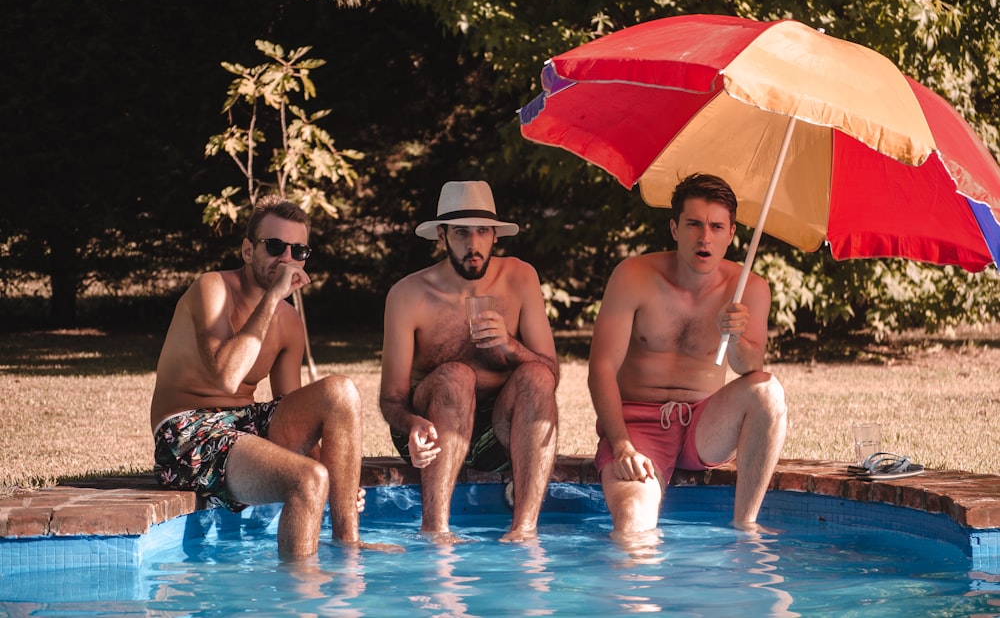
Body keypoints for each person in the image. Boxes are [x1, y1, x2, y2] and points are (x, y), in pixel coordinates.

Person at [150, 195, 382, 560]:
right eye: (275, 247)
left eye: (298, 250)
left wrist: (335, 471)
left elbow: (293, 413)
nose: (286, 259)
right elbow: (226, 377)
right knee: (308, 480)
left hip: (244, 426)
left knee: (341, 391)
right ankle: (297, 600)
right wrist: (272, 298)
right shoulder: (212, 288)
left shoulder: (290, 321)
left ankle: (348, 546)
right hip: (187, 431)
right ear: (247, 250)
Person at [588, 173, 787, 537]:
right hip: (638, 426)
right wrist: (621, 445)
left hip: (703, 424)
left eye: (716, 226)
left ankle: (746, 526)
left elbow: (749, 367)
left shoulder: (750, 288)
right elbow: (601, 367)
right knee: (633, 525)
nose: (704, 237)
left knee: (767, 390)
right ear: (675, 228)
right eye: (694, 224)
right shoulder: (633, 275)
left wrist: (736, 335)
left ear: (731, 234)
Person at [379, 180, 560, 543]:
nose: (473, 245)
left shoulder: (520, 278)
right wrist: (412, 423)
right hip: (430, 431)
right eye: (461, 233)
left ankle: (524, 532)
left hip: (502, 432)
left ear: (495, 235)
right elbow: (392, 399)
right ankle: (435, 531)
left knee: (536, 377)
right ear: (442, 236)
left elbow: (550, 373)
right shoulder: (408, 295)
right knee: (457, 377)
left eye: (482, 231)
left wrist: (510, 345)